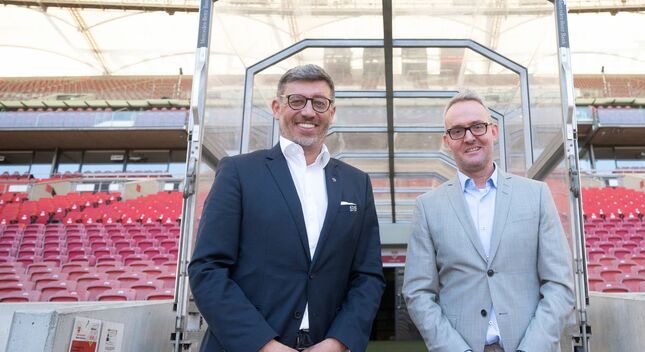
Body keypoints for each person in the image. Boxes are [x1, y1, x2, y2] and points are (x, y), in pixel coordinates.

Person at [189, 64, 385, 352]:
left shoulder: (357, 183)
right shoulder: (238, 172)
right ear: (276, 107)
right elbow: (207, 269)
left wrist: (337, 342)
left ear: (331, 112)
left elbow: (368, 276)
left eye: (319, 102)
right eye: (296, 100)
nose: (308, 111)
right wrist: (263, 345)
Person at [402, 90, 575, 352]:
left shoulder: (536, 195)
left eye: (477, 126)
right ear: (447, 141)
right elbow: (417, 293)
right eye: (458, 131)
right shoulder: (428, 207)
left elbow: (559, 284)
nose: (469, 137)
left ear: (493, 131)